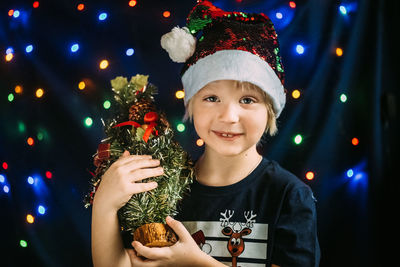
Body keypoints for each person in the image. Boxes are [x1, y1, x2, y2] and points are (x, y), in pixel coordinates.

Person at [91, 1, 320, 266]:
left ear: (270, 110)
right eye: (212, 98)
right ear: (191, 105)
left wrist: (196, 262)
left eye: (247, 100)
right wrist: (104, 205)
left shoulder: (288, 196)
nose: (228, 116)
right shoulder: (165, 188)